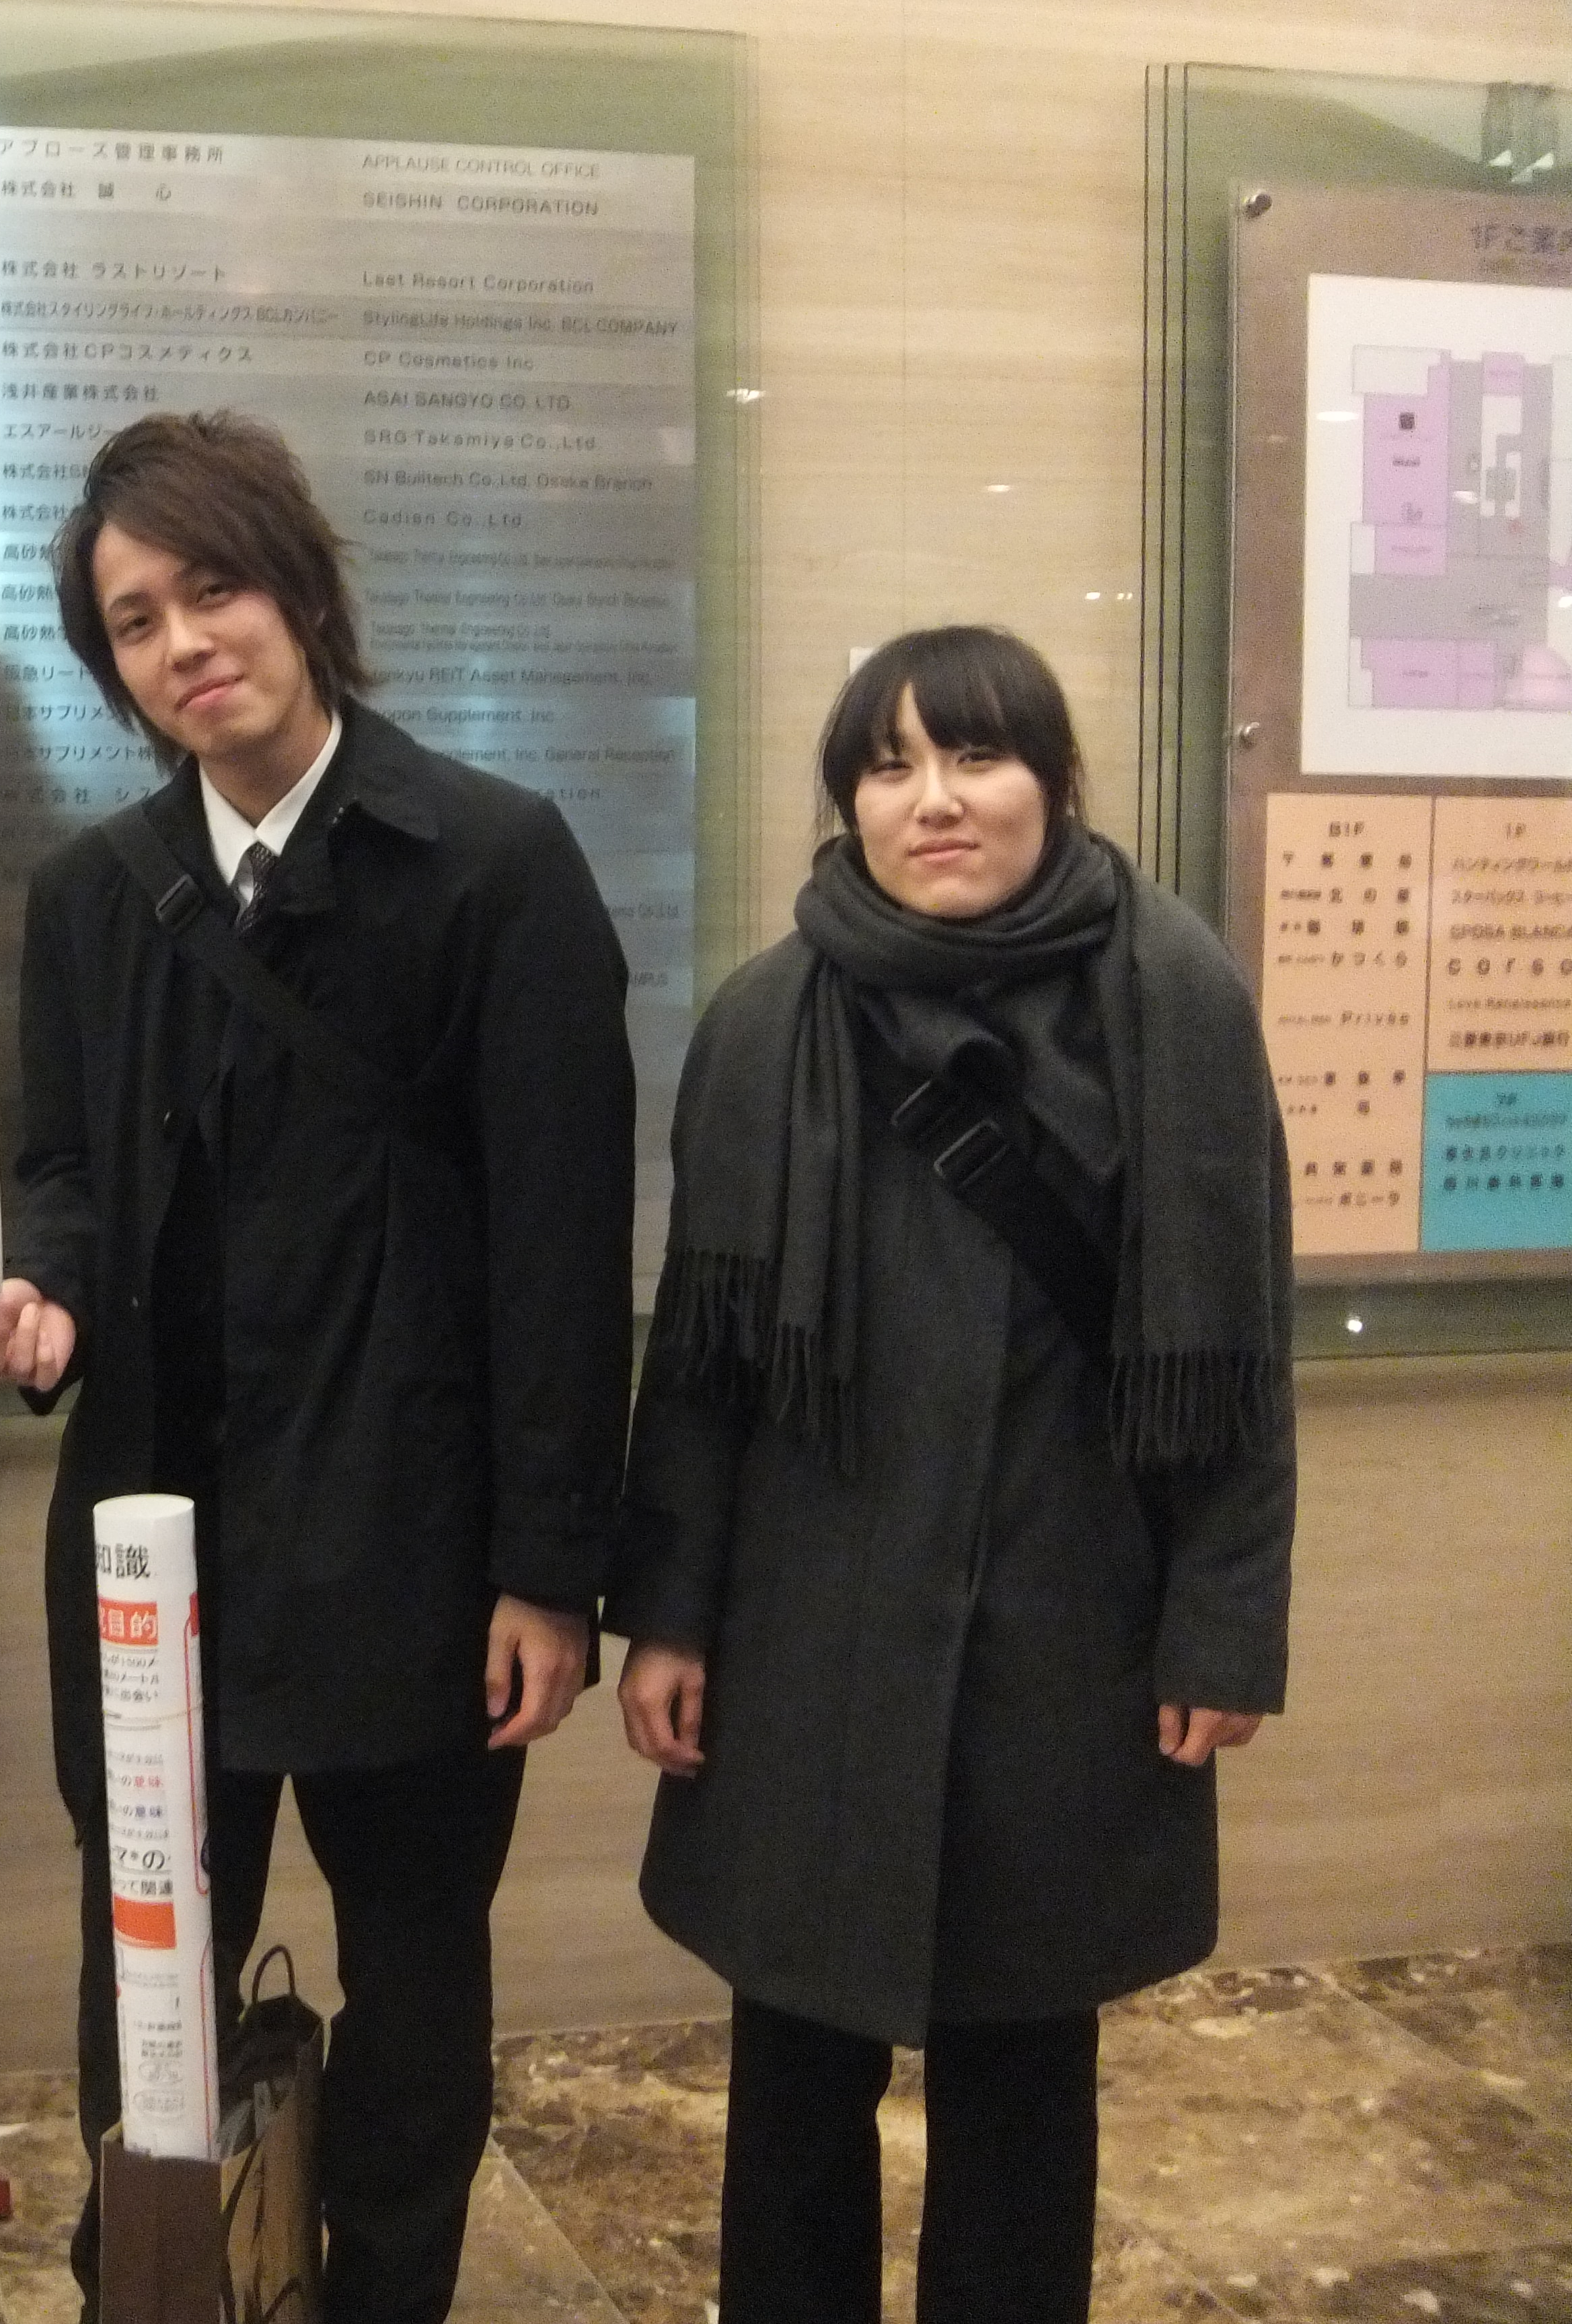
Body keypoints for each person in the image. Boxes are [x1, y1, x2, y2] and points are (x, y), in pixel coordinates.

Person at [0, 410, 637, 2324]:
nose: (185, 643)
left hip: (416, 1551)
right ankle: (159, 2291)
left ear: (302, 586)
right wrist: (49, 1288)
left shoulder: (494, 864)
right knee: (145, 1971)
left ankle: (390, 2292)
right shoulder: (96, 895)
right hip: (156, 1550)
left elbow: (568, 1254)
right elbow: (64, 1167)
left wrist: (549, 1572)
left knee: (416, 1975)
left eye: (215, 588)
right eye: (134, 621)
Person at [607, 626, 1296, 2323]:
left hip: (1064, 1617)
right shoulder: (770, 1019)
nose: (935, 798)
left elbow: (1236, 1342)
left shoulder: (1174, 1002)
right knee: (794, 2065)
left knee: (1024, 2074)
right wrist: (670, 1615)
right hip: (809, 1625)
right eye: (890, 763)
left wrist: (1221, 1619)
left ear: (1055, 783)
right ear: (847, 799)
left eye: (978, 756)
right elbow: (700, 1362)